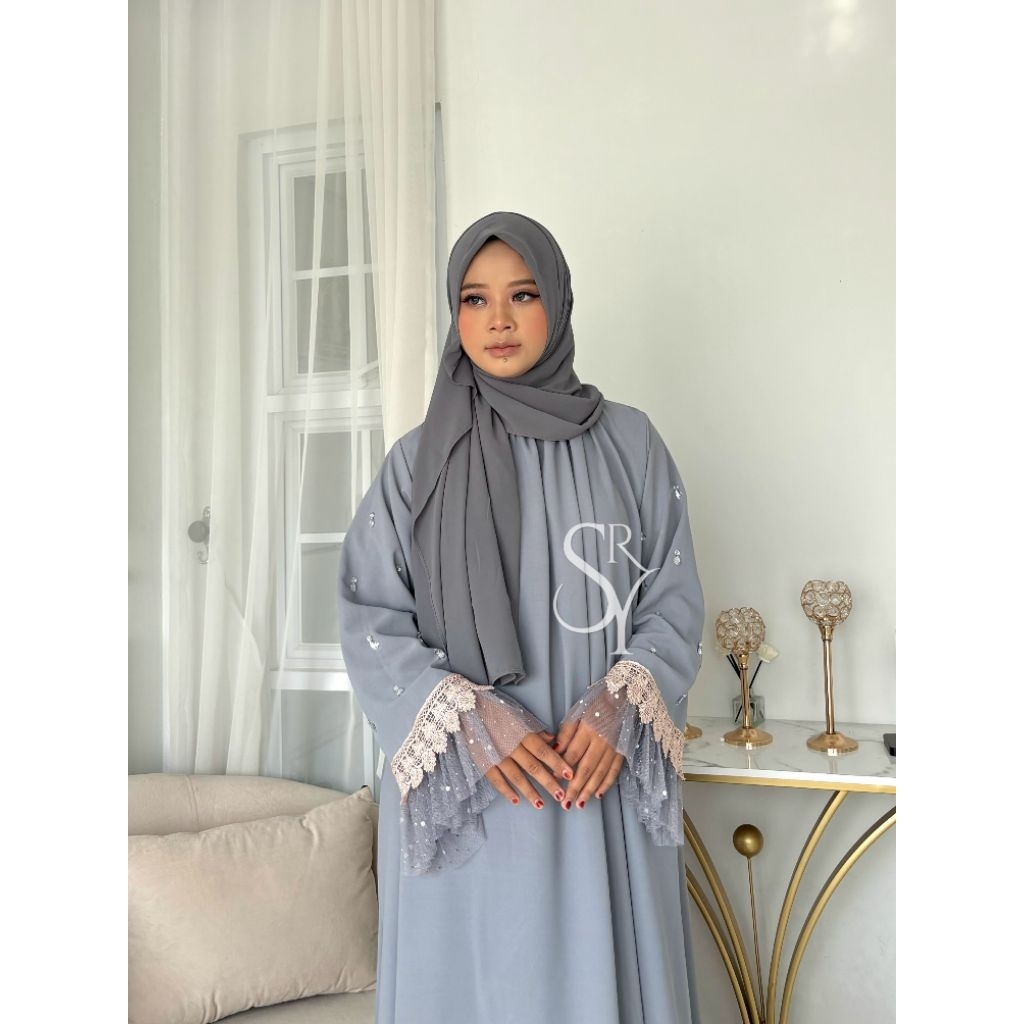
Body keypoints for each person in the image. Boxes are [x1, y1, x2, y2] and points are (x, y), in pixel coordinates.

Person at [337, 211, 705, 1024]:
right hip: (474, 794)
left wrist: (621, 703)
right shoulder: (416, 462)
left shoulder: (630, 444)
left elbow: (674, 598)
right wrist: (469, 722)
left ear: (559, 302)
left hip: (596, 778)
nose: (497, 320)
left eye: (522, 294)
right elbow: (370, 618)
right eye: (474, 299)